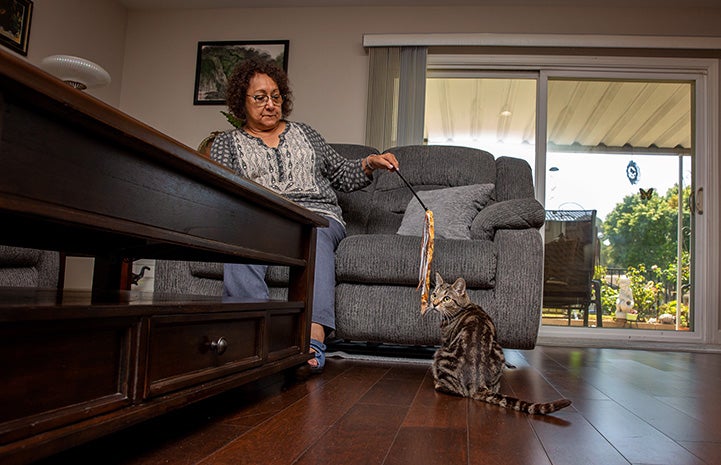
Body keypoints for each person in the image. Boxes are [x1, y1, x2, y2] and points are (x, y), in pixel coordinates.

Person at [210, 57, 398, 372]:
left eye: (275, 96)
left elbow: (343, 174)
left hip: (316, 214)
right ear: (241, 102)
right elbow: (217, 189)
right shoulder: (226, 144)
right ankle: (251, 336)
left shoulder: (306, 135)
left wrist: (369, 163)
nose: (270, 104)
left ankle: (312, 341)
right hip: (261, 219)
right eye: (259, 97)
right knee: (237, 235)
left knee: (314, 231)